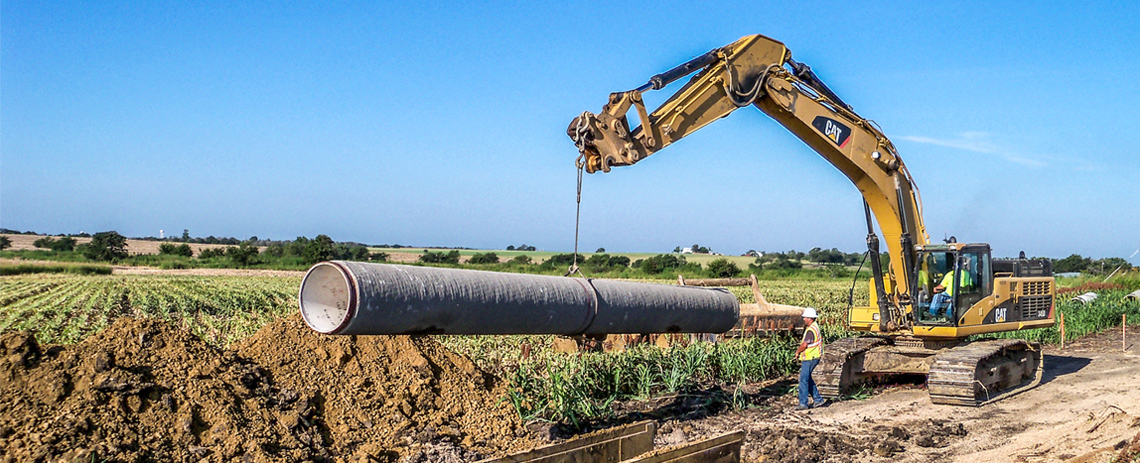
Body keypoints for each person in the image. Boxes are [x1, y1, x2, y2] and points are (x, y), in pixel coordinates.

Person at [794, 307, 827, 410]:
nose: (804, 319)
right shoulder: (814, 327)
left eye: (805, 317)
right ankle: (818, 400)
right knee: (808, 379)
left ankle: (803, 403)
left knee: (803, 379)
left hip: (810, 358)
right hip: (814, 356)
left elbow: (804, 344)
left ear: (810, 318)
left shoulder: (810, 330)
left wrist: (798, 351)